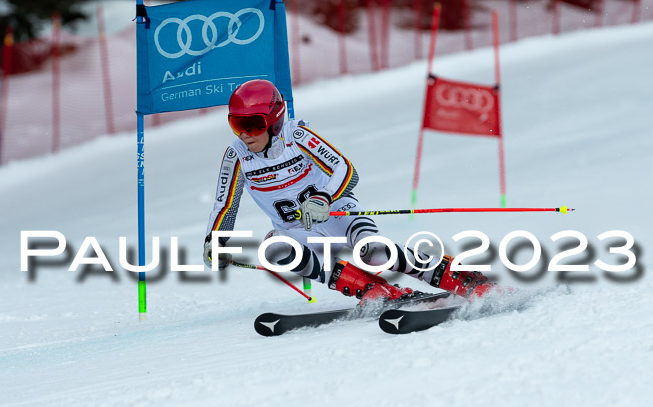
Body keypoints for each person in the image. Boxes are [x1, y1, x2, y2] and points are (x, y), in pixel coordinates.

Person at [203, 79, 493, 306]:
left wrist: (324, 197)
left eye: (253, 125)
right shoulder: (237, 156)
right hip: (298, 229)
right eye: (237, 124)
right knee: (275, 249)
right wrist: (214, 242)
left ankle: (461, 278)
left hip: (337, 213)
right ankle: (374, 290)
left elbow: (346, 170)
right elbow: (225, 205)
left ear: (274, 120)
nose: (244, 134)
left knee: (374, 252)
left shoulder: (297, 136)